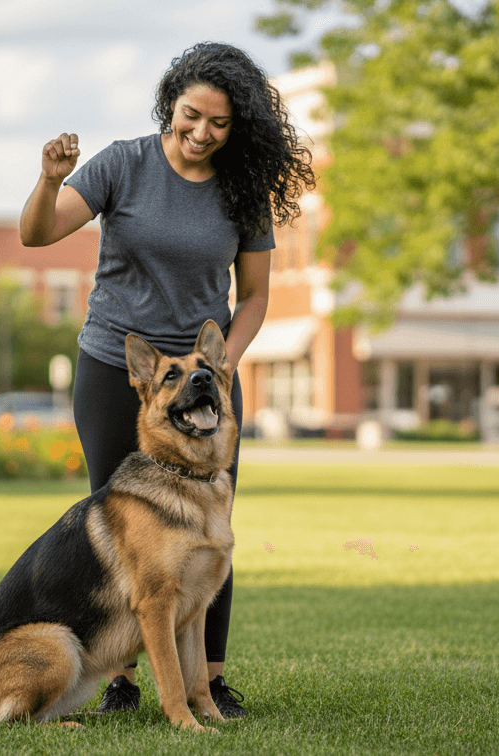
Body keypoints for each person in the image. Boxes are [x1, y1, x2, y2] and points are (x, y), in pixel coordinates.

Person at [19, 41, 316, 717]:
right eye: (191, 116)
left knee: (213, 523)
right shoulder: (124, 163)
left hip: (206, 374)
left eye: (219, 123)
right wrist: (48, 179)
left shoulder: (243, 189)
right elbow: (37, 236)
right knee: (122, 524)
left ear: (237, 127)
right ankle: (122, 681)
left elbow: (257, 297)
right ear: (170, 103)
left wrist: (226, 362)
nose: (201, 133)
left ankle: (210, 680)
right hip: (113, 367)